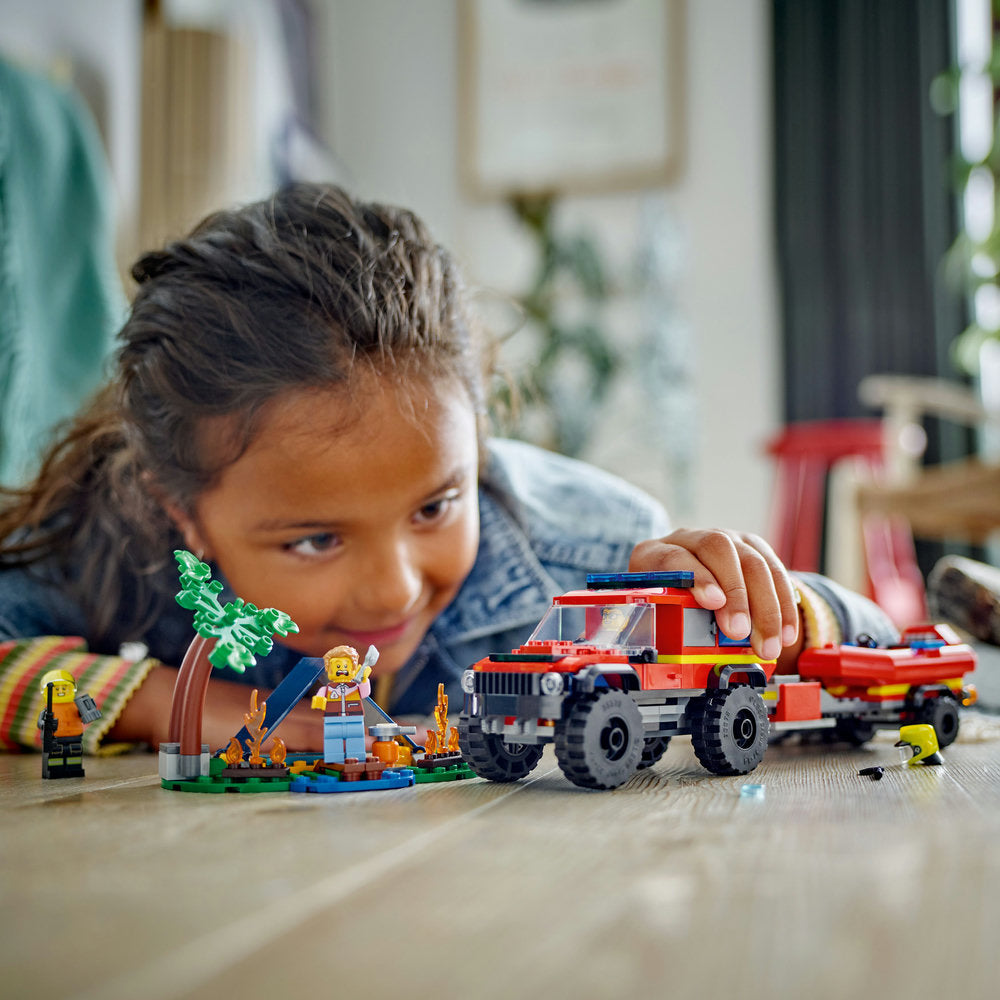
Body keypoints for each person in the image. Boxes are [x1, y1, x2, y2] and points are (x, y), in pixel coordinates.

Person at [0, 183, 896, 756]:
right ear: (183, 515)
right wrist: (176, 706)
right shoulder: (127, 538)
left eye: (435, 506)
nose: (392, 591)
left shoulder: (590, 558)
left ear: (475, 441)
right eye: (314, 539)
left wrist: (777, 605)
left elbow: (878, 642)